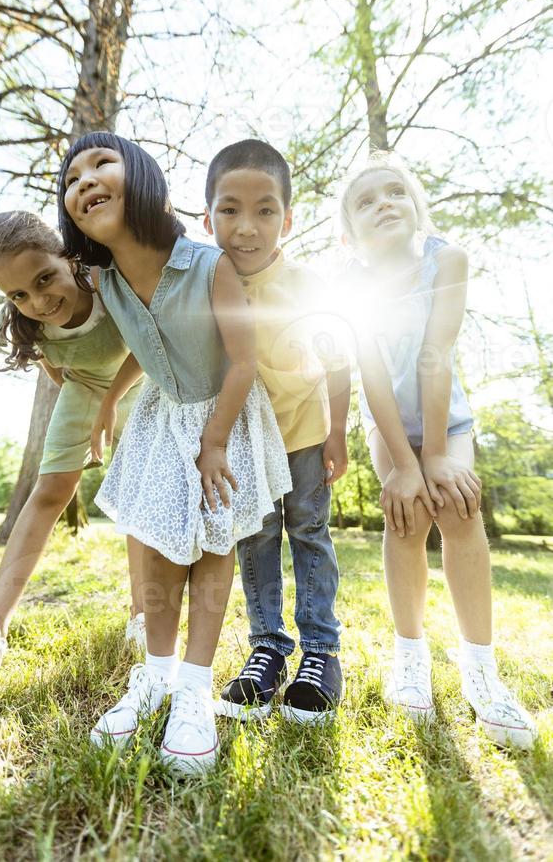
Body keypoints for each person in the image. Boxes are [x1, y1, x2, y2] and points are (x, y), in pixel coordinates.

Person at [57, 131, 291, 776]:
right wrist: (111, 396)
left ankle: (193, 690)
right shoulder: (104, 280)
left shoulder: (207, 262)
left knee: (212, 547)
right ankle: (155, 677)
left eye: (102, 164)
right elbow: (146, 342)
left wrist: (214, 442)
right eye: (72, 178)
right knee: (158, 547)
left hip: (224, 415)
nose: (86, 180)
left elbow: (242, 359)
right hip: (163, 421)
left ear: (143, 178)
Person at [341, 151, 537, 749]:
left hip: (445, 419)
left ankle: (481, 669)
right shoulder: (349, 283)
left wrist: (435, 461)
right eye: (366, 200)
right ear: (349, 231)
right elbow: (369, 375)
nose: (384, 204)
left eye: (395, 191)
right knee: (406, 518)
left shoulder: (446, 259)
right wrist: (404, 464)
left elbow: (435, 356)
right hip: (388, 424)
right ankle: (411, 659)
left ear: (417, 205)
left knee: (456, 507)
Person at [0, 211, 145, 704]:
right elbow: (56, 370)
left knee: (137, 493)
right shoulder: (29, 324)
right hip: (86, 389)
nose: (39, 301)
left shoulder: (106, 280)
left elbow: (146, 340)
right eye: (19, 295)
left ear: (67, 257)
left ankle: (142, 615)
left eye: (44, 278)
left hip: (139, 381)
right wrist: (87, 409)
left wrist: (111, 404)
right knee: (49, 491)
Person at [203, 139, 350, 724]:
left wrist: (338, 433)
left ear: (286, 220)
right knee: (256, 539)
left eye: (265, 210)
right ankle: (267, 650)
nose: (246, 226)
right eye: (229, 210)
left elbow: (340, 363)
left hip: (306, 433)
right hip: (246, 444)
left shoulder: (309, 286)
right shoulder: (204, 284)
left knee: (309, 533)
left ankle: (321, 653)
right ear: (207, 216)